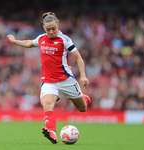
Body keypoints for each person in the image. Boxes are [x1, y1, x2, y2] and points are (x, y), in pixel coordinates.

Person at [7, 12, 91, 144]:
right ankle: (52, 132)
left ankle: (83, 98)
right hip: (48, 81)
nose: (51, 32)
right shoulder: (41, 38)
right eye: (48, 29)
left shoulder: (65, 40)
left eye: (53, 29)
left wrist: (83, 76)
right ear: (43, 28)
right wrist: (14, 41)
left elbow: (78, 58)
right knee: (47, 105)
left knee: (82, 108)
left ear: (58, 25)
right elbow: (29, 43)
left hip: (66, 80)